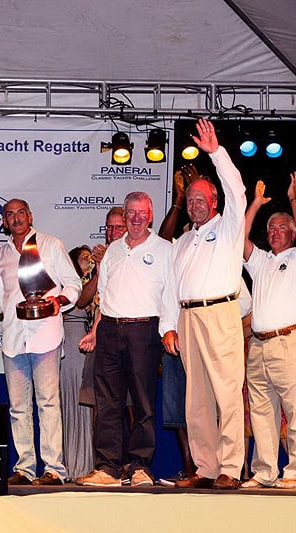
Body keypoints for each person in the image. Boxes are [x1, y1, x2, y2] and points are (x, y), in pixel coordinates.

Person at [0, 199, 81, 486]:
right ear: (4, 221)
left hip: (45, 334)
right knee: (18, 407)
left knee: (48, 403)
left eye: (21, 212)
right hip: (13, 338)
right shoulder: (1, 255)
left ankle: (54, 470)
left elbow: (74, 284)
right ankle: (24, 468)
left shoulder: (50, 245)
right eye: (10, 214)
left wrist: (58, 300)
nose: (16, 218)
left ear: (30, 215)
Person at [164, 118, 247, 490]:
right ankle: (205, 467)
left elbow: (238, 191)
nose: (195, 204)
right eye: (191, 199)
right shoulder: (182, 242)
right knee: (195, 398)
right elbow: (170, 288)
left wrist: (217, 154)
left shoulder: (228, 228)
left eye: (202, 199)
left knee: (227, 392)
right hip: (187, 320)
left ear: (214, 202)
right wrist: (167, 326)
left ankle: (231, 467)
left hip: (220, 313)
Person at [77, 191, 177, 488]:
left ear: (150, 216)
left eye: (141, 213)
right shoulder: (113, 251)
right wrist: (96, 331)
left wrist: (167, 329)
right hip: (109, 329)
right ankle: (108, 467)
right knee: (108, 402)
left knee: (143, 403)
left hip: (144, 330)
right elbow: (103, 295)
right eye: (130, 213)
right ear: (124, 215)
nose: (135, 218)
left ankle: (140, 466)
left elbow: (170, 295)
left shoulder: (164, 249)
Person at [241, 173, 296, 489]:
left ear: (293, 232)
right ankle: (265, 472)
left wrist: (294, 199)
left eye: (282, 228)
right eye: (271, 229)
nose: (274, 232)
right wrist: (256, 203)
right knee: (261, 413)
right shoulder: (260, 261)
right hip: (258, 345)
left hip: (290, 340)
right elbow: (238, 238)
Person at [155, 166, 199, 486]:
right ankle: (189, 467)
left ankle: (213, 467)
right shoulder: (178, 249)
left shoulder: (218, 251)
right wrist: (179, 200)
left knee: (204, 405)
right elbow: (163, 239)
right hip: (175, 332)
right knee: (176, 405)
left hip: (205, 332)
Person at [78, 207, 126, 408]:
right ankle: (99, 441)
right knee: (97, 400)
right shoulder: (93, 259)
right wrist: (99, 270)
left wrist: (110, 262)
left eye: (118, 227)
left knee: (130, 403)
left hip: (126, 337)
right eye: (109, 227)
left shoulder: (132, 257)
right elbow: (81, 301)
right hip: (96, 338)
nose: (113, 232)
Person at [60, 245, 96, 481]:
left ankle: (89, 464)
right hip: (73, 339)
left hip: (90, 341)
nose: (89, 260)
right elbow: (82, 302)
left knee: (89, 404)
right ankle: (72, 464)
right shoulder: (70, 285)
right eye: (84, 258)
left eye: (91, 257)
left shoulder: (99, 280)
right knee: (73, 400)